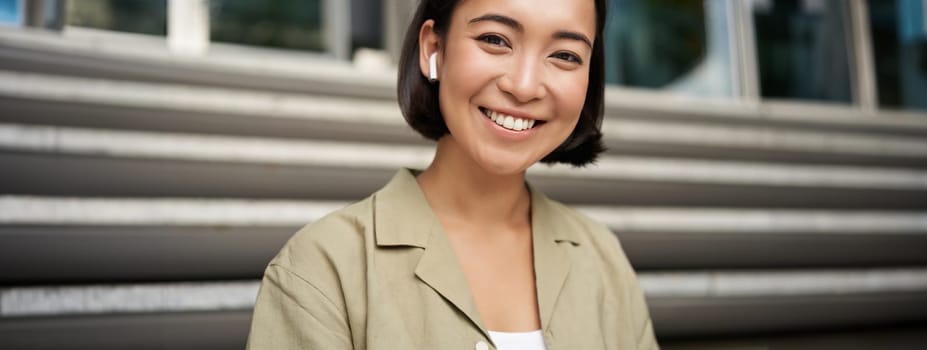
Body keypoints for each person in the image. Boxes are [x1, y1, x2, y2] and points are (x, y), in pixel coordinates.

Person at [246, 0, 659, 348]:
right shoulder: (322, 268)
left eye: (565, 55)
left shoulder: (602, 260)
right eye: (495, 40)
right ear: (433, 48)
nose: (525, 86)